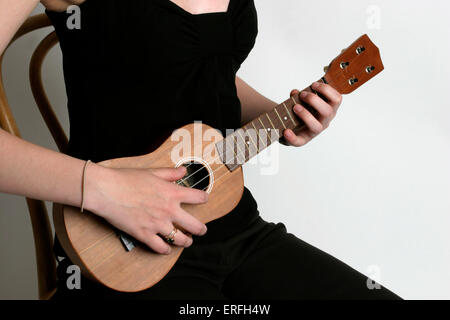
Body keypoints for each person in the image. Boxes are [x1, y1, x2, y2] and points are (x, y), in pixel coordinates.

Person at [0, 0, 401, 299]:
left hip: (235, 231)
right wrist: (103, 188)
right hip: (121, 254)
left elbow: (193, 74)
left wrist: (286, 116)